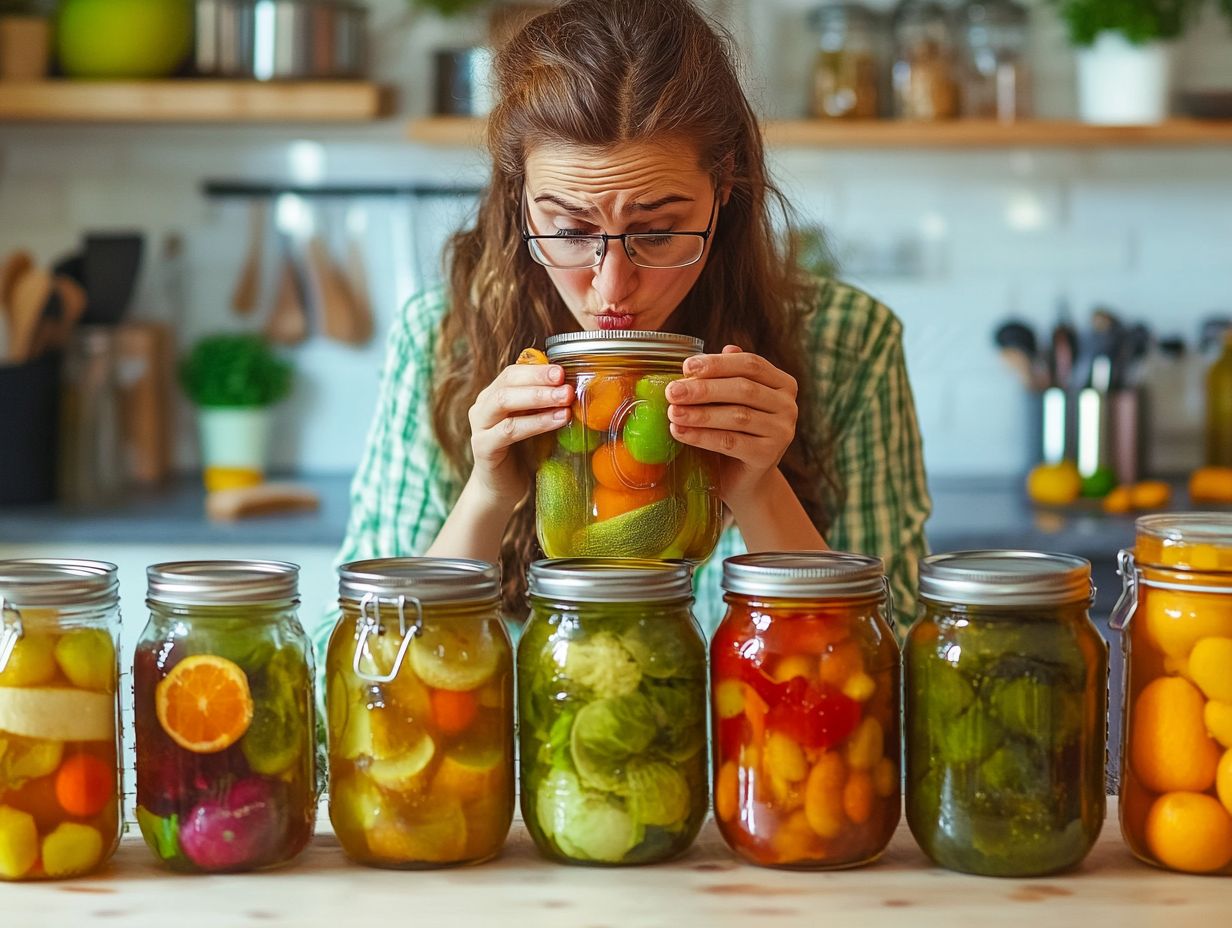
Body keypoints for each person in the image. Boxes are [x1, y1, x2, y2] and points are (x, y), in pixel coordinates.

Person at [325, 0, 930, 652]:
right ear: (518, 193)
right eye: (567, 229)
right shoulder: (443, 339)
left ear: (723, 187)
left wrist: (759, 489)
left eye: (661, 230)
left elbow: (893, 677)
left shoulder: (848, 342)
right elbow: (365, 662)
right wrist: (485, 497)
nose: (612, 287)